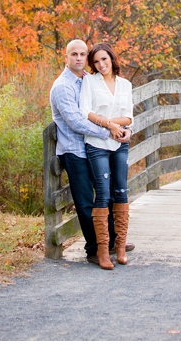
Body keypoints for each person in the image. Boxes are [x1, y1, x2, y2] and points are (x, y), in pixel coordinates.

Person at [50, 39, 132, 265]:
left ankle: (112, 240)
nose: (78, 58)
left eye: (82, 54)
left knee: (107, 194)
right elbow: (76, 121)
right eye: (73, 54)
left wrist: (122, 128)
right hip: (74, 150)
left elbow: (112, 106)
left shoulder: (88, 79)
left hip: (93, 146)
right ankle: (94, 249)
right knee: (86, 201)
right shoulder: (62, 87)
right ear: (66, 57)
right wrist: (109, 131)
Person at [79, 42, 134, 270]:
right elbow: (86, 112)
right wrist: (109, 125)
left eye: (104, 59)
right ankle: (103, 251)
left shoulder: (125, 84)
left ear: (112, 58)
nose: (101, 65)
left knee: (121, 190)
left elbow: (129, 117)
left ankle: (120, 248)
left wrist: (115, 126)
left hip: (119, 142)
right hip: (97, 144)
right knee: (102, 194)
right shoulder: (89, 82)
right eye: (96, 62)